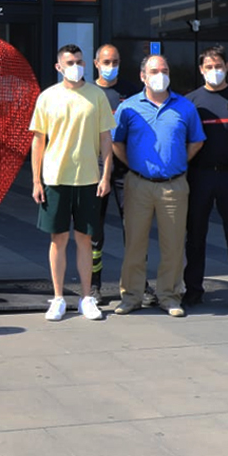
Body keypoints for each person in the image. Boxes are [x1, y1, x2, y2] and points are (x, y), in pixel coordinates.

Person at [112, 55, 205, 317]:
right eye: (154, 70)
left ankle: (170, 296)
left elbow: (196, 141)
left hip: (173, 186)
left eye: (164, 70)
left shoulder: (185, 107)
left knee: (173, 245)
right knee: (134, 244)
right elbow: (116, 142)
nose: (160, 74)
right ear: (143, 76)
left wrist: (177, 163)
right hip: (138, 184)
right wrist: (133, 164)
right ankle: (131, 296)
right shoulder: (129, 107)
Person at [30, 44, 113, 321]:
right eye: (69, 62)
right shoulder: (47, 97)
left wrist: (106, 175)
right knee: (58, 239)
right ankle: (58, 298)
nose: (75, 66)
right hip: (55, 178)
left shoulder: (97, 96)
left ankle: (87, 297)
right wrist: (36, 181)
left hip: (88, 178)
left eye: (78, 61)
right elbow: (38, 141)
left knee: (86, 239)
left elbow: (105, 139)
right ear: (58, 67)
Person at [184, 45, 228, 307]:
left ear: (227, 67)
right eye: (208, 67)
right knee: (195, 235)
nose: (214, 71)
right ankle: (194, 289)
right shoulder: (190, 101)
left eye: (218, 66)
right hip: (200, 176)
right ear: (201, 70)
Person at [90, 44, 149, 305]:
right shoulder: (88, 92)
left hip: (126, 169)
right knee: (95, 232)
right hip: (95, 170)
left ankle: (140, 285)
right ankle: (94, 286)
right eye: (106, 61)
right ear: (95, 63)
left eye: (114, 61)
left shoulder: (133, 92)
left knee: (134, 229)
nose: (110, 66)